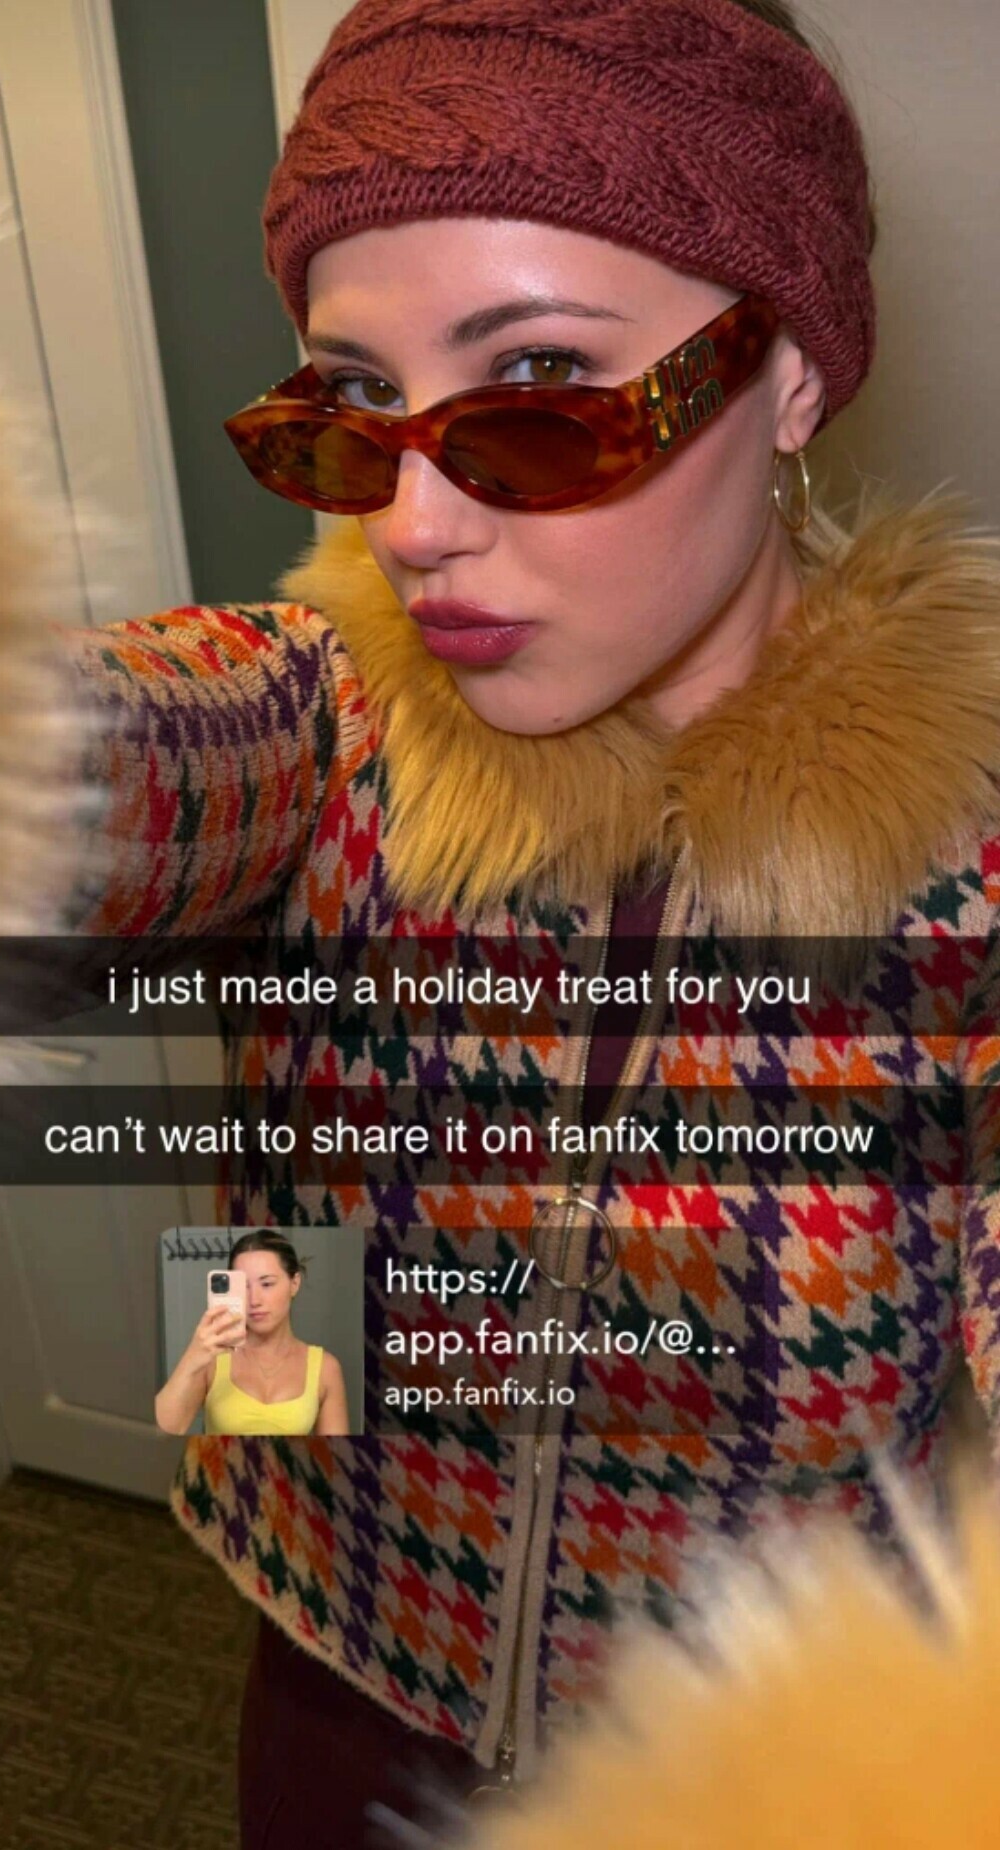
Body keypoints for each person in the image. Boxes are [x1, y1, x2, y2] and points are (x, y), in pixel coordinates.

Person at [60, 0, 1000, 1844]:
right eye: (354, 404)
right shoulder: (331, 713)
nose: (412, 525)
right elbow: (73, 767)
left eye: (542, 383)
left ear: (791, 374)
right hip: (329, 1683)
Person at [154, 1232, 350, 1438]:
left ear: (294, 1283)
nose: (254, 1300)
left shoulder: (326, 1368)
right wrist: (192, 1358)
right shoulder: (211, 1359)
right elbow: (160, 1433)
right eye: (243, 1286)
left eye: (267, 1284)